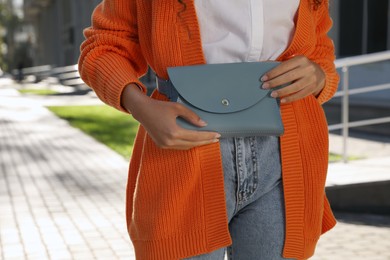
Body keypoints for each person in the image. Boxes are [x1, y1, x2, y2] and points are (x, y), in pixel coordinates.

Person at [79, 0, 339, 259]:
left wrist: (319, 75)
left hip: (286, 155)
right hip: (185, 148)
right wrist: (140, 106)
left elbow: (318, 48)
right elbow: (104, 45)